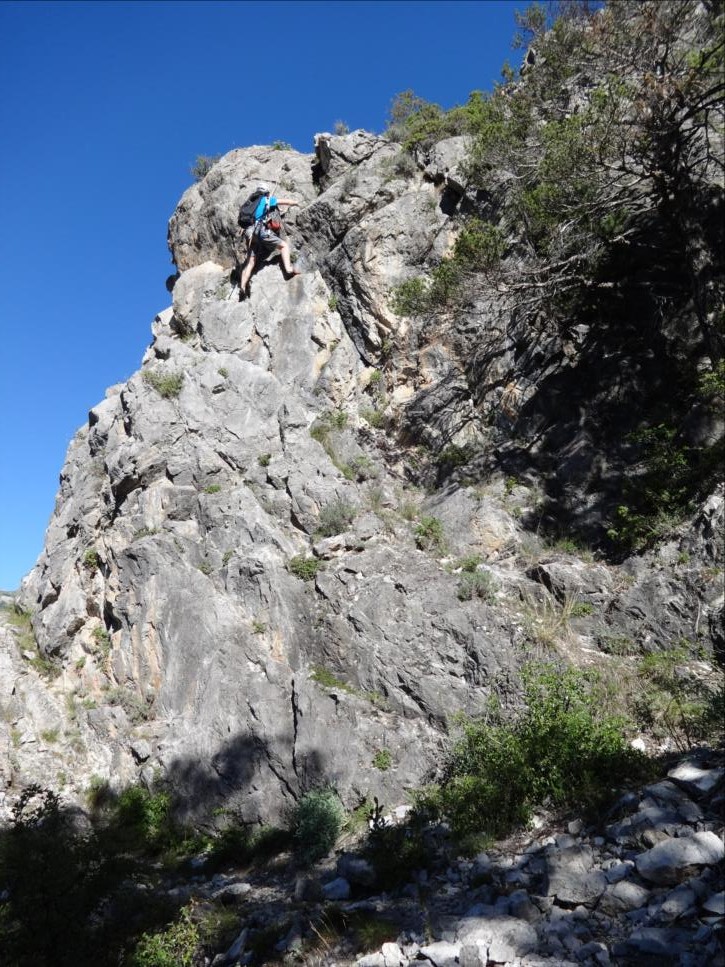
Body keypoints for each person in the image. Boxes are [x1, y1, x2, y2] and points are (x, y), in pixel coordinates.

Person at [239, 184, 300, 298]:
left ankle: (242, 286)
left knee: (250, 262)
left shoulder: (251, 204)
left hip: (250, 234)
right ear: (266, 192)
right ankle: (288, 269)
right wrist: (295, 202)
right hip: (261, 231)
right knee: (284, 246)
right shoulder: (267, 200)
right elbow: (284, 201)